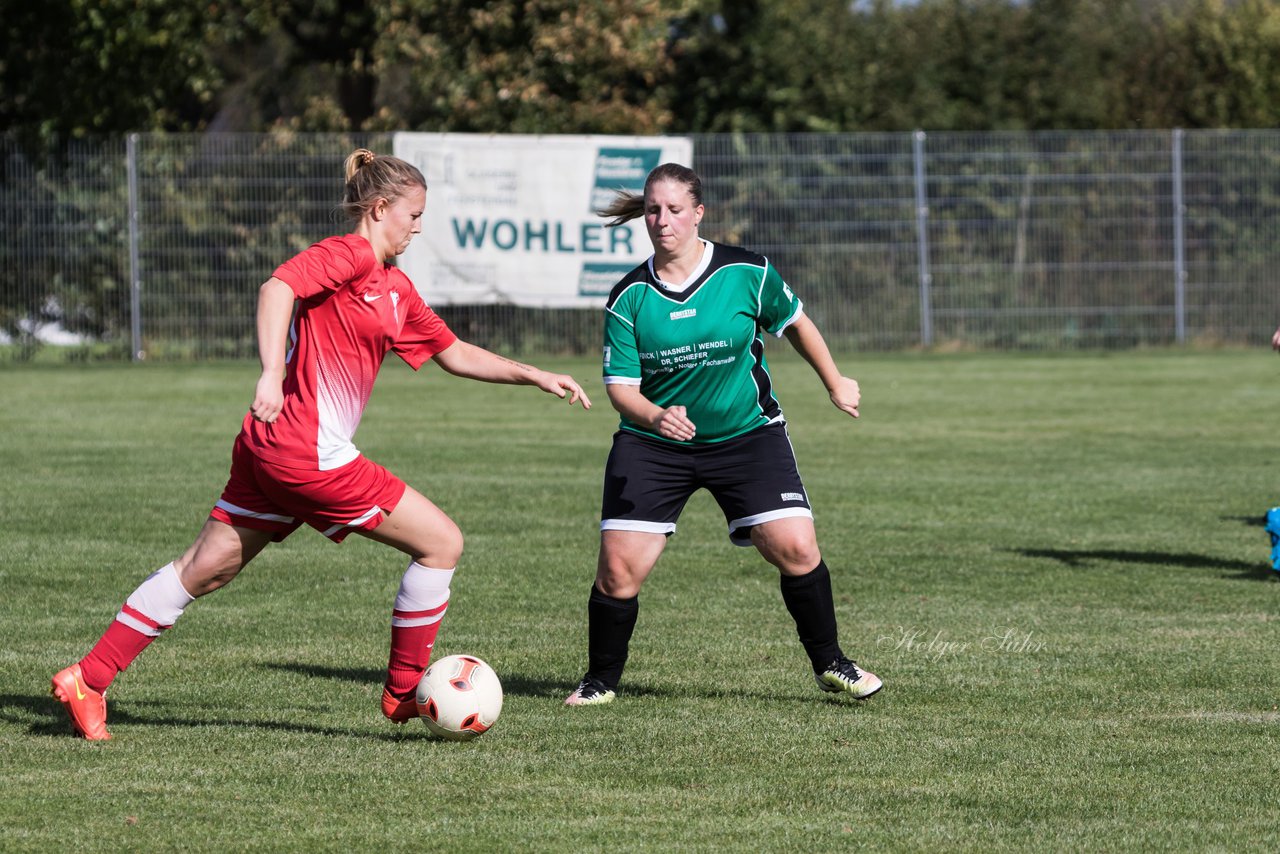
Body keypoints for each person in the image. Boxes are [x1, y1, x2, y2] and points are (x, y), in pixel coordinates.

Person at [50, 148, 592, 740]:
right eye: (413, 215)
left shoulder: (395, 287)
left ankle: (89, 678)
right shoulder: (350, 255)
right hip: (307, 455)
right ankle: (404, 692)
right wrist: (269, 372)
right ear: (380, 207)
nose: (418, 227)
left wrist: (534, 373)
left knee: (201, 570)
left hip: (270, 449)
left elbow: (454, 353)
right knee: (441, 543)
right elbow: (277, 288)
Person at [564, 162, 881, 706]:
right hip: (655, 446)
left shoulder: (747, 272)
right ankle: (600, 683)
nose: (662, 220)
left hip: (746, 436)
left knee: (796, 548)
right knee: (618, 573)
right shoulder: (628, 296)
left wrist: (834, 381)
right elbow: (621, 389)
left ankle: (832, 663)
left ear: (698, 213)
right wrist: (655, 416)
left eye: (675, 210)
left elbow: (796, 322)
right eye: (653, 210)